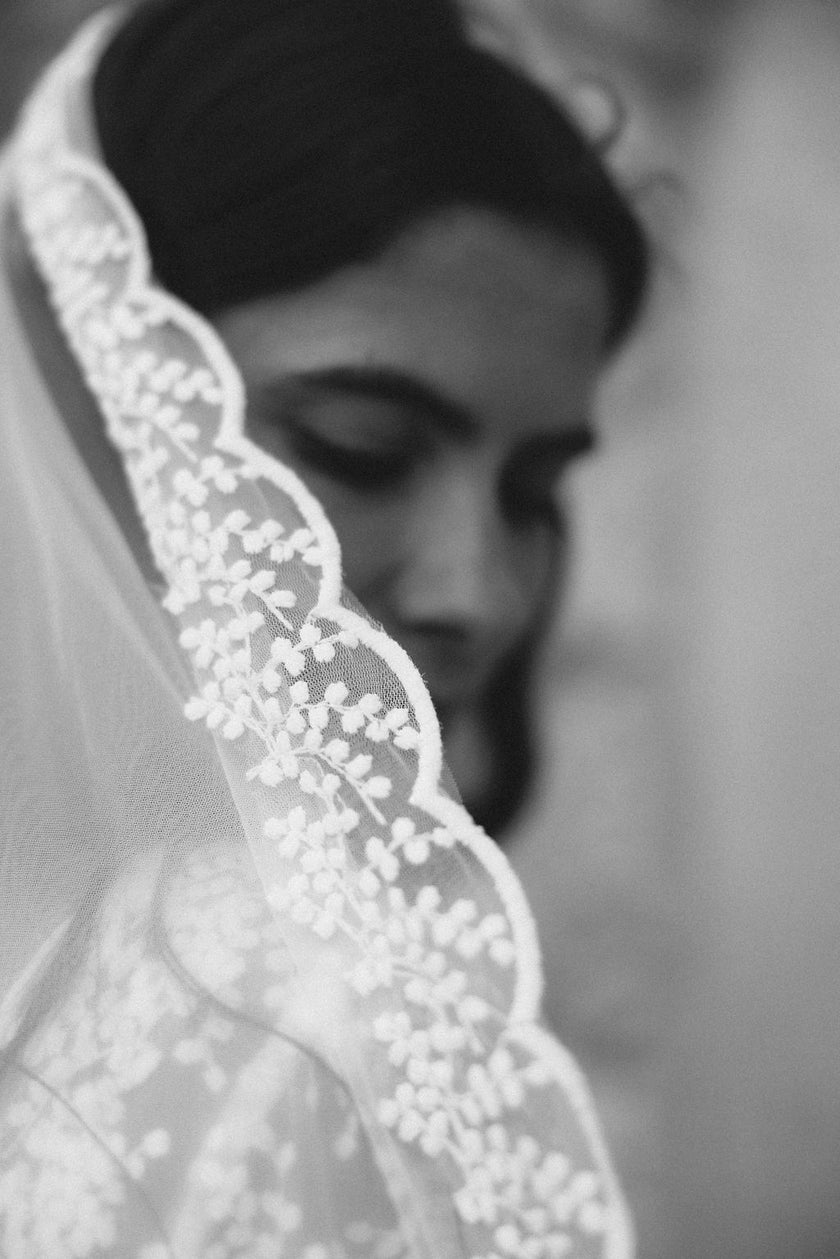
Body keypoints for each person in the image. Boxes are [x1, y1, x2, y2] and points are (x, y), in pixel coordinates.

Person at [0, 1, 649, 1255]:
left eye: (532, 492)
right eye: (363, 447)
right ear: (87, 410)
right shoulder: (302, 1013)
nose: (485, 593)